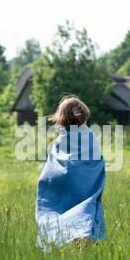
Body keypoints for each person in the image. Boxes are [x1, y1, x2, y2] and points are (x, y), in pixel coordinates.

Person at [36, 95, 106, 250]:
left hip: (60, 181)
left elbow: (52, 165)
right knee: (86, 207)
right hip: (84, 181)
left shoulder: (61, 139)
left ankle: (57, 241)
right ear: (83, 116)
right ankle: (83, 245)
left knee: (57, 211)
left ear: (61, 118)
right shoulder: (89, 136)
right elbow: (97, 160)